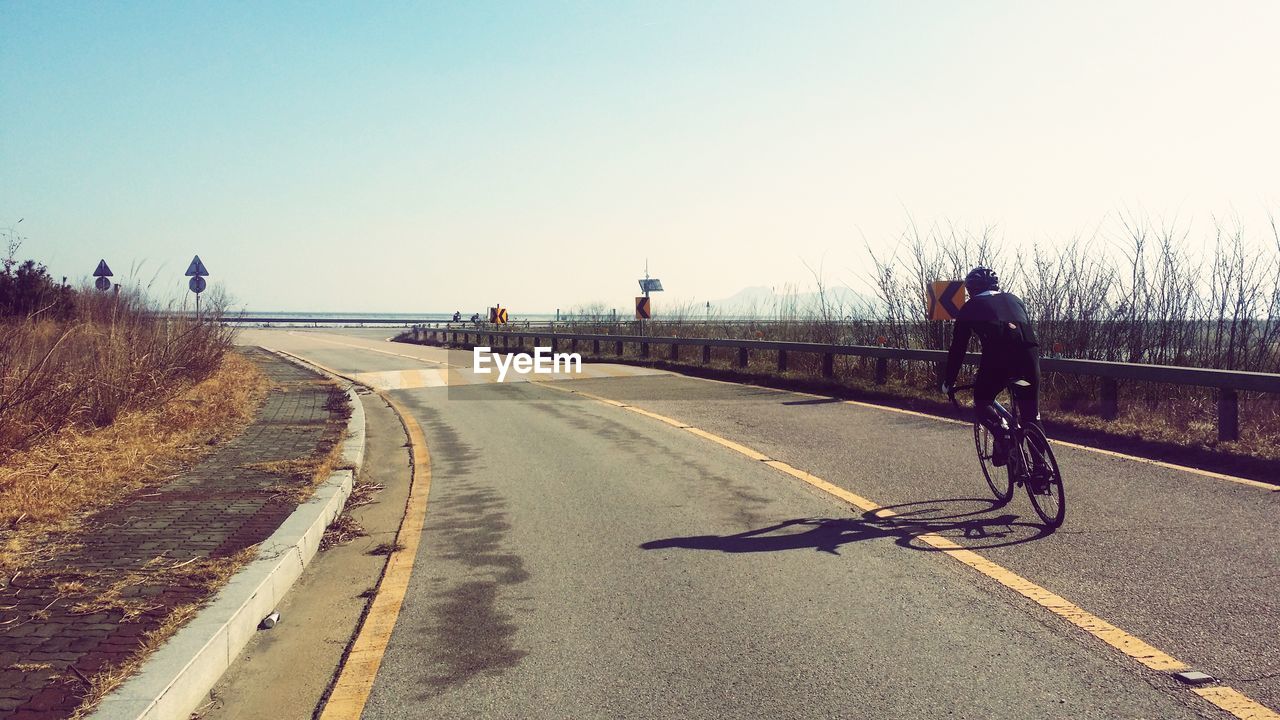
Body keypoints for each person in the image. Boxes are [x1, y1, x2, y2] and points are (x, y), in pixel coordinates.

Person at [942, 266, 1041, 467]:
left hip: (998, 358)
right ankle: (1041, 471)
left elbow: (958, 349)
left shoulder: (969, 307)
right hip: (1029, 357)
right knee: (1031, 414)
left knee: (982, 399)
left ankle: (1002, 434)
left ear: (971, 290)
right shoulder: (1015, 299)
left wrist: (949, 381)